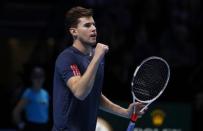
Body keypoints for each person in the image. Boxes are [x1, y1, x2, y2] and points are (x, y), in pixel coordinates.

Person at [52, 6, 145, 131]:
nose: (93, 29)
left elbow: (94, 94)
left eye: (94, 25)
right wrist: (96, 58)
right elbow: (80, 92)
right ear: (74, 32)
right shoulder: (67, 58)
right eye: (87, 25)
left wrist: (125, 112)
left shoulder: (97, 58)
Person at [12, 67, 49, 131]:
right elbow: (16, 112)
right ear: (32, 79)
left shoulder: (45, 93)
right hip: (32, 126)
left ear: (44, 79)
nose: (38, 79)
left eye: (41, 77)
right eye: (36, 77)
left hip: (44, 127)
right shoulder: (28, 93)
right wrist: (21, 125)